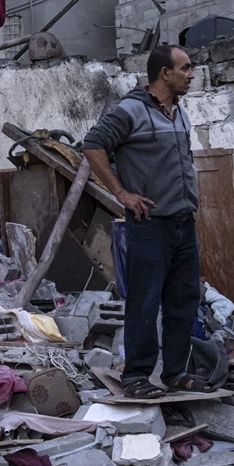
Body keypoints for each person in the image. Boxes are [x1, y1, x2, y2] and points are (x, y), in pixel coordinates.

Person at [80, 43, 200, 399]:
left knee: (184, 300)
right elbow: (92, 145)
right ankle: (136, 376)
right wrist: (122, 194)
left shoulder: (179, 112)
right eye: (186, 68)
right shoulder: (130, 110)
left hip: (183, 223)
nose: (191, 75)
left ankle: (176, 372)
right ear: (165, 73)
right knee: (145, 301)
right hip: (150, 225)